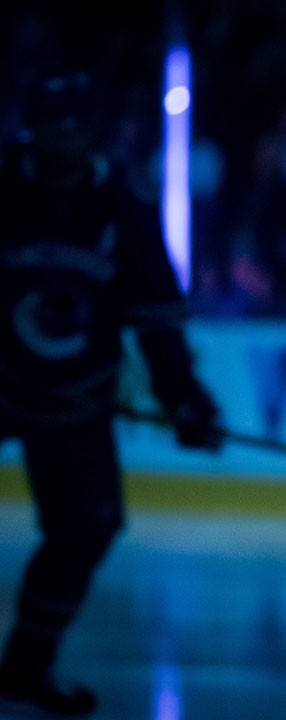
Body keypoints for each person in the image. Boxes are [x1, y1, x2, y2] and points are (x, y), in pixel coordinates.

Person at [0, 70, 222, 717]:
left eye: (73, 124)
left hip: (77, 397)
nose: (60, 138)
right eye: (49, 123)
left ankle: (26, 666)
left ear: (91, 130)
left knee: (89, 528)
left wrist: (183, 396)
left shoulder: (123, 206)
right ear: (29, 127)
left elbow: (156, 315)